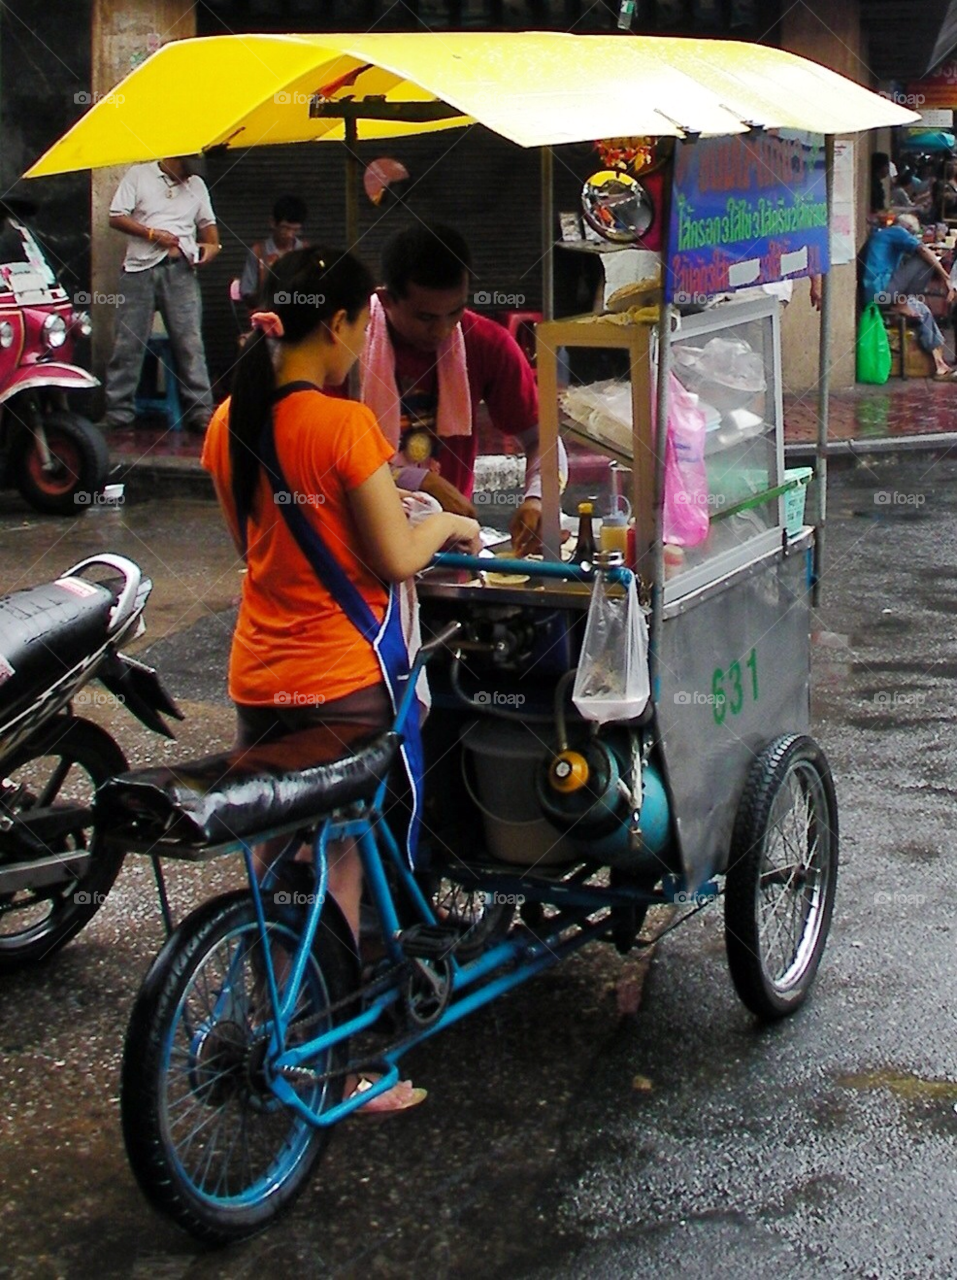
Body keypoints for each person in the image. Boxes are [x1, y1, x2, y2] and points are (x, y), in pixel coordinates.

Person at [201, 246, 478, 1113]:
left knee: (280, 858)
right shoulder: (342, 426)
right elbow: (393, 554)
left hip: (258, 675)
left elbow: (257, 547)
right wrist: (450, 527)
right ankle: (339, 1067)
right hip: (340, 680)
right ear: (340, 323)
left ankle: (276, 1026)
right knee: (338, 867)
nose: (366, 342)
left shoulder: (225, 423)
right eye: (363, 324)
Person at [359, 223, 567, 555]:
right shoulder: (349, 345)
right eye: (425, 317)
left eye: (454, 311)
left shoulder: (487, 343)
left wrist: (537, 499)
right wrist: (418, 480)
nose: (441, 330)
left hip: (453, 546)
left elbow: (543, 439)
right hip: (361, 546)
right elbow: (330, 463)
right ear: (386, 300)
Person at [105, 156, 220, 434]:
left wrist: (211, 249)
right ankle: (118, 413)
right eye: (186, 172)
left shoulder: (197, 185)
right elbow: (116, 217)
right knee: (128, 343)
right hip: (139, 271)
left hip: (180, 270)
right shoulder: (139, 175)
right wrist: (152, 233)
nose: (187, 179)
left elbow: (210, 231)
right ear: (176, 160)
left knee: (190, 343)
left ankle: (201, 412)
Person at [861, 212, 956, 378]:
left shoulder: (882, 237)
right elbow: (923, 251)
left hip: (880, 293)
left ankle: (939, 363)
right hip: (881, 293)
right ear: (907, 229)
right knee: (926, 260)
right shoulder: (896, 232)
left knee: (922, 309)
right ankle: (902, 303)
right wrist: (946, 278)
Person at [239, 194, 308, 305]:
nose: (290, 235)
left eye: (295, 230)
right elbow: (247, 292)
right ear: (272, 222)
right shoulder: (258, 253)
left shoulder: (306, 252)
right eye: (285, 228)